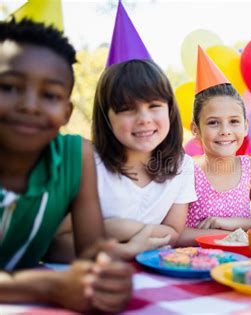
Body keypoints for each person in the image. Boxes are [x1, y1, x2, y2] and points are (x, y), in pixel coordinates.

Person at [0, 19, 132, 312]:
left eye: (50, 95)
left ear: (66, 112)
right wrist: (47, 286)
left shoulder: (78, 157)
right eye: (8, 87)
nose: (30, 106)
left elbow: (92, 256)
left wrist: (105, 277)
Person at [48, 1, 196, 261]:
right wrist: (121, 241)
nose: (144, 119)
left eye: (154, 106)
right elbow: (54, 244)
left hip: (152, 281)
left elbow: (173, 232)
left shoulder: (183, 166)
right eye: (127, 109)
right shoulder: (89, 165)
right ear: (107, 116)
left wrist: (119, 228)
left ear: (170, 110)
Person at [177, 48, 251, 246]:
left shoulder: (248, 167)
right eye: (213, 122)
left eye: (234, 121)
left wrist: (233, 224)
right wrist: (224, 234)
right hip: (196, 264)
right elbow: (176, 234)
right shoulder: (187, 169)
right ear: (195, 129)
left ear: (245, 126)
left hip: (240, 266)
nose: (225, 131)